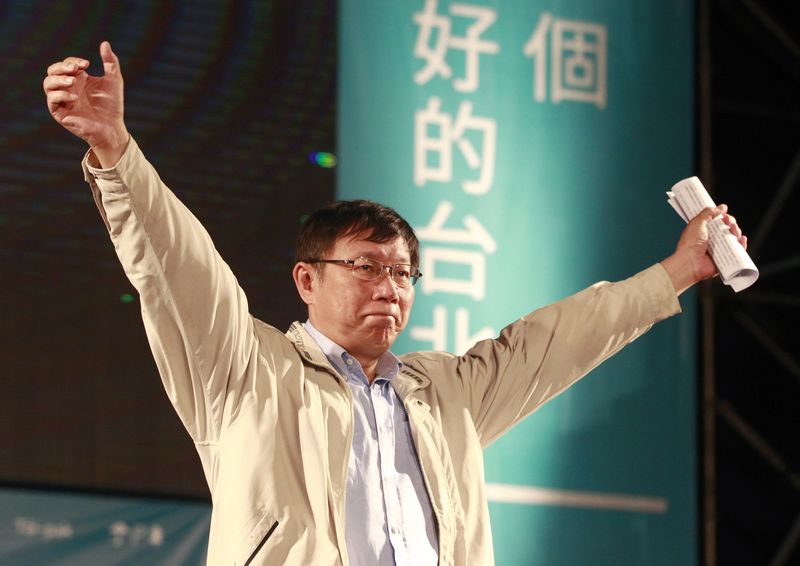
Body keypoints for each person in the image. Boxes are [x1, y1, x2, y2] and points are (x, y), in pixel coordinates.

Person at [44, 42, 746, 566]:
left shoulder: (444, 393)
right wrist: (115, 151)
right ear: (306, 279)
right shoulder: (246, 371)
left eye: (404, 272)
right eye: (366, 266)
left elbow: (559, 340)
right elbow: (177, 267)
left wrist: (680, 270)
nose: (390, 285)